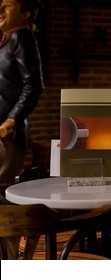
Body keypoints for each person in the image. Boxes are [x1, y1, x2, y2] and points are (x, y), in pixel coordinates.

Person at [0, 0, 44, 184]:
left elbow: (33, 85)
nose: (0, 9)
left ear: (25, 15)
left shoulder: (21, 38)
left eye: (7, 5)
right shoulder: (7, 40)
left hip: (7, 135)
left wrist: (12, 119)